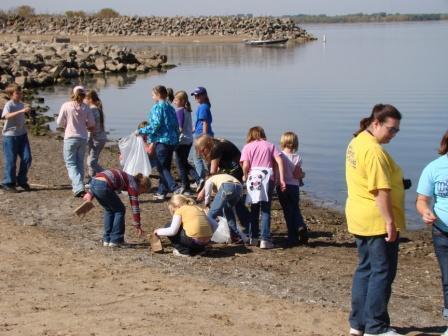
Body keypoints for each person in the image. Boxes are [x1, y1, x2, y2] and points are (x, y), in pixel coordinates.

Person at [346, 104, 405, 336]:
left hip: (359, 216)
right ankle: (376, 327)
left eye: (397, 131)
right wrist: (390, 222)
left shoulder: (357, 141)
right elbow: (380, 190)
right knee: (382, 272)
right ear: (376, 123)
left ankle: (358, 324)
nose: (393, 135)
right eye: (391, 130)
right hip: (375, 220)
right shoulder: (372, 150)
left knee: (366, 269)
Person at [416, 130, 448, 336]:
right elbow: (421, 200)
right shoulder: (434, 167)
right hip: (442, 233)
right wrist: (425, 212)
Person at [240, 126, 286, 249]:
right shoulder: (270, 145)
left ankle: (253, 238)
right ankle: (265, 239)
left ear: (250, 135)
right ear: (262, 134)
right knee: (265, 209)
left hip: (253, 177)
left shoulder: (247, 147)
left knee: (254, 208)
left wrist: (245, 176)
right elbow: (279, 161)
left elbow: (245, 166)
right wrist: (281, 179)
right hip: (267, 177)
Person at [195, 135, 251, 234]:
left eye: (202, 150)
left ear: (207, 145)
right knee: (228, 204)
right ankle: (236, 229)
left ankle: (246, 226)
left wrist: (203, 192)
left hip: (236, 170)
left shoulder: (216, 148)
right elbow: (211, 172)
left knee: (232, 201)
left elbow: (212, 173)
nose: (201, 153)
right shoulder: (213, 145)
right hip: (229, 170)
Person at [84, 169, 150, 247]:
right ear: (142, 186)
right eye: (142, 192)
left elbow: (100, 178)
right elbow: (135, 207)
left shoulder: (129, 178)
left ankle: (107, 239)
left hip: (94, 182)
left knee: (109, 209)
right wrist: (137, 225)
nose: (140, 194)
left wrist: (90, 193)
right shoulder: (133, 184)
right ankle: (116, 240)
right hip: (104, 185)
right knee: (120, 210)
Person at [138, 85, 180, 200]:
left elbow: (155, 125)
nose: (152, 97)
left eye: (152, 95)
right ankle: (162, 191)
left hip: (162, 141)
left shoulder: (157, 107)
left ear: (158, 95)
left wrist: (141, 131)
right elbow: (176, 125)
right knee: (165, 166)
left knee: (162, 168)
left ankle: (175, 187)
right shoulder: (170, 107)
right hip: (172, 141)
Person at [57, 86, 95, 197]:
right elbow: (91, 124)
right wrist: (85, 125)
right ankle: (78, 187)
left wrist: (66, 124)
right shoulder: (86, 107)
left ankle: (78, 187)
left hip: (70, 137)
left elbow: (59, 122)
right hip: (82, 138)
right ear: (84, 95)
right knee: (79, 163)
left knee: (70, 164)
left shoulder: (66, 105)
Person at [277, 131, 308, 246]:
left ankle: (292, 237)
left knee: (287, 211)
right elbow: (297, 175)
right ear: (295, 143)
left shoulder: (279, 156)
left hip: (282, 186)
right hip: (294, 187)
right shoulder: (297, 157)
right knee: (295, 208)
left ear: (283, 142)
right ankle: (300, 225)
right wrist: (303, 176)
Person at [1, 84, 32, 192]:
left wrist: (26, 112)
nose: (19, 95)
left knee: (27, 158)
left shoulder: (21, 104)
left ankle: (21, 180)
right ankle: (8, 182)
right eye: (17, 93)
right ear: (11, 95)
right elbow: (6, 116)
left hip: (22, 134)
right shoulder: (9, 104)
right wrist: (21, 111)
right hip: (10, 136)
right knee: (11, 160)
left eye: (20, 93)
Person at [198, 173, 246, 242]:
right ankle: (235, 236)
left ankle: (206, 238)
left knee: (211, 214)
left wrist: (207, 203)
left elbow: (208, 190)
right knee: (228, 211)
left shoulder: (210, 179)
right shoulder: (222, 177)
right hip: (239, 188)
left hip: (227, 187)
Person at [173, 90, 201, 195]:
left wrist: (173, 134)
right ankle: (199, 179)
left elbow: (179, 128)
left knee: (180, 164)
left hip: (182, 141)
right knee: (184, 163)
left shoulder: (180, 110)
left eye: (176, 100)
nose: (174, 102)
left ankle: (186, 187)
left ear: (183, 100)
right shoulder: (187, 110)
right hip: (189, 140)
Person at [191, 86, 213, 180]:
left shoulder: (203, 107)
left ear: (204, 95)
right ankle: (208, 176)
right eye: (195, 95)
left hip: (201, 136)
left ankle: (201, 179)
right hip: (200, 134)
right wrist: (191, 130)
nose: (196, 97)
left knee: (197, 158)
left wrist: (204, 136)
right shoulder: (203, 106)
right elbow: (198, 123)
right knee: (206, 157)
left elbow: (205, 122)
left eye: (198, 95)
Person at [85, 90, 107, 180]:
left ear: (89, 99)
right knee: (92, 159)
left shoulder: (92, 109)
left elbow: (91, 125)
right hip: (100, 138)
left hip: (97, 139)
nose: (83, 101)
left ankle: (108, 175)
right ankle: (92, 179)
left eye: (84, 99)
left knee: (91, 162)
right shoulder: (97, 108)